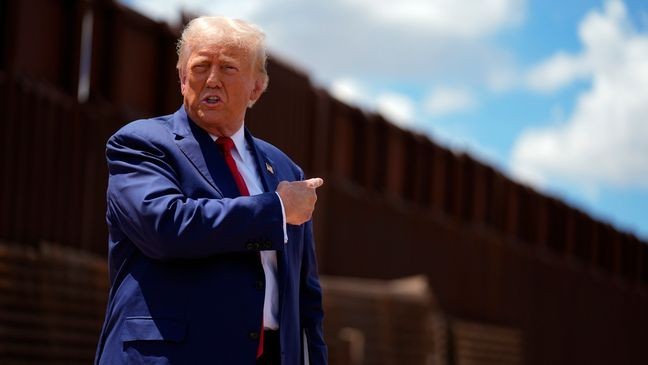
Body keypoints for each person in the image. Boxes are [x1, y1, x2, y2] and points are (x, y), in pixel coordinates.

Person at [94, 16, 327, 365]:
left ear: (257, 87)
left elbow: (304, 294)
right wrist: (276, 209)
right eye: (201, 66)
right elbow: (165, 227)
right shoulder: (140, 144)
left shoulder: (284, 169)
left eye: (229, 68)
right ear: (182, 76)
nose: (212, 79)